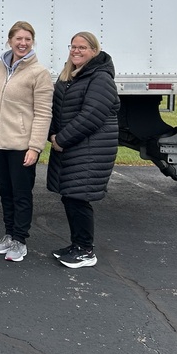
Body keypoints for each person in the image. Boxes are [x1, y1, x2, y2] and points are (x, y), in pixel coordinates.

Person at [47, 32, 120, 269]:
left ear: (94, 51)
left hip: (90, 148)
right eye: (73, 47)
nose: (76, 51)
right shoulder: (73, 76)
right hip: (76, 146)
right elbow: (59, 110)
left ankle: (86, 251)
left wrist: (61, 139)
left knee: (78, 198)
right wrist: (51, 134)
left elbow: (91, 116)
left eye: (83, 47)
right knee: (70, 196)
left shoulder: (100, 78)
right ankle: (77, 245)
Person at [0, 21, 53, 262]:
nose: (22, 43)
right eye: (18, 39)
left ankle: (20, 240)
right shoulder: (2, 67)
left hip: (21, 145)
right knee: (5, 192)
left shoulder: (39, 73)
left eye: (27, 39)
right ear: (10, 41)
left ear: (32, 42)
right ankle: (9, 235)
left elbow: (44, 113)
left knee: (21, 194)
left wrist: (35, 147)